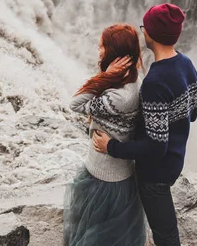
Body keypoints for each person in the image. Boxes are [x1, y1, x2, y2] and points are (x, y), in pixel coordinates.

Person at [93, 4, 197, 246]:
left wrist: (112, 147)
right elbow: (192, 113)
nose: (143, 32)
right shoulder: (186, 64)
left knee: (166, 233)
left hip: (155, 173)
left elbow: (155, 147)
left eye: (144, 27)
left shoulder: (155, 82)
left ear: (151, 34)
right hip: (176, 158)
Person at [63, 24, 147, 246]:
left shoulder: (119, 97)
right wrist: (109, 75)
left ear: (114, 52)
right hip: (101, 172)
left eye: (102, 46)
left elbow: (75, 103)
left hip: (108, 181)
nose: (98, 49)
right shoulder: (129, 80)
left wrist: (106, 75)